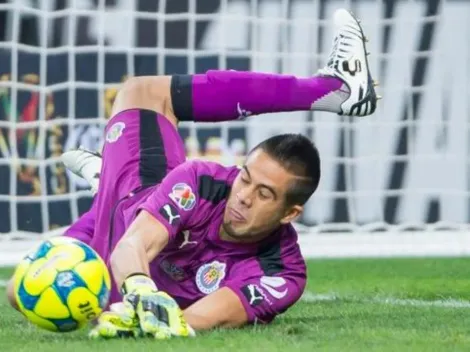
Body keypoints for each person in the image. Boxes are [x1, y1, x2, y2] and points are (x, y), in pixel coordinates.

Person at [6, 9, 379, 338]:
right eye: (245, 178)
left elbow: (203, 318)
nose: (244, 196)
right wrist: (141, 290)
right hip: (130, 216)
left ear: (289, 213)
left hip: (112, 281)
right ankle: (331, 90)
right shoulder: (203, 182)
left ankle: (103, 185)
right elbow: (133, 246)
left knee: (25, 296)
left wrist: (151, 318)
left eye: (264, 194)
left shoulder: (282, 273)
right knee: (143, 93)